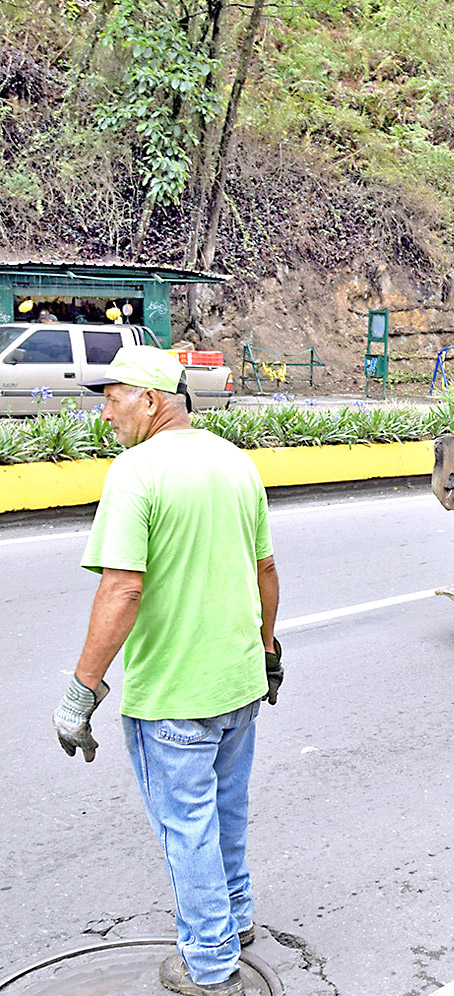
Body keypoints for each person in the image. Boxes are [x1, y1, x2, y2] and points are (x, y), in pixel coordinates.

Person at [51, 346, 282, 996]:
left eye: (112, 397)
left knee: (188, 831)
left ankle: (210, 965)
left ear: (150, 400)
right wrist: (267, 653)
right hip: (239, 685)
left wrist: (79, 693)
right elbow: (265, 571)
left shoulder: (136, 472)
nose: (106, 413)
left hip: (175, 697)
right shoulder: (235, 464)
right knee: (225, 812)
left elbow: (122, 590)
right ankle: (235, 922)